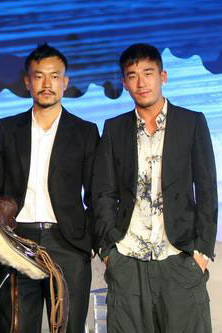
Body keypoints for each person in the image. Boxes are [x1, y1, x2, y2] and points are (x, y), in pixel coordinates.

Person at [93, 43, 217, 332]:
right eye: (132, 75)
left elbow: (208, 190)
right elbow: (103, 193)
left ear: (163, 76)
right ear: (124, 83)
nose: (141, 82)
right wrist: (109, 251)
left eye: (148, 73)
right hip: (127, 256)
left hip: (179, 255)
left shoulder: (192, 122)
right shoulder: (114, 128)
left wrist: (201, 252)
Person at [0, 43, 99, 333]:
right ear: (27, 81)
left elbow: (97, 193)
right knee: (16, 326)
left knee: (69, 326)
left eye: (54, 76)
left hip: (67, 243)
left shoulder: (85, 131)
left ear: (65, 82)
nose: (46, 84)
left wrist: (88, 238)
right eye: (39, 76)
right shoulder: (5, 129)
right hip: (17, 241)